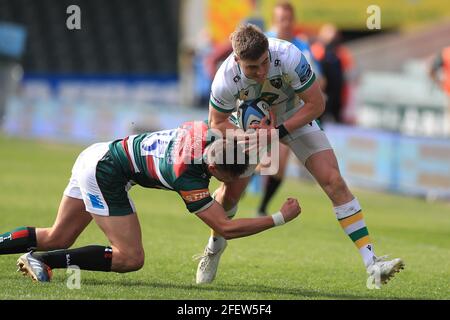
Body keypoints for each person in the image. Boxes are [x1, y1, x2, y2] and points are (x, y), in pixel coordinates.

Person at [195, 23, 404, 288]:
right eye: (251, 68)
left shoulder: (288, 56)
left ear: (268, 51)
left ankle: (372, 263)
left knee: (334, 181)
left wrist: (277, 132)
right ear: (237, 61)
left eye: (263, 63)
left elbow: (317, 104)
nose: (260, 72)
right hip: (248, 128)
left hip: (294, 117)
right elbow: (217, 122)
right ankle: (214, 248)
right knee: (231, 195)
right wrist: (251, 136)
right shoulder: (225, 77)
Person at [0, 120, 301, 282]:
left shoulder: (208, 132)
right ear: (212, 169)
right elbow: (226, 227)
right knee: (131, 258)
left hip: (97, 153)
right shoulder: (188, 178)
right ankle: (43, 261)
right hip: (106, 173)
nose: (233, 183)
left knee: (57, 236)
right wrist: (279, 218)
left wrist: (264, 134)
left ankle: (38, 254)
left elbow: (227, 131)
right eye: (228, 177)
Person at [256, 1, 324, 217]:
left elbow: (320, 79)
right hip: (261, 108)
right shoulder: (262, 41)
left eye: (288, 19)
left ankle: (262, 207)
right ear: (274, 21)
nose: (284, 23)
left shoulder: (302, 47)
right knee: (258, 160)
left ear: (293, 21)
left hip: (290, 111)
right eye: (280, 19)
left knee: (279, 164)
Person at [429, 45, 450, 136]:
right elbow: (432, 70)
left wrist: (438, 83)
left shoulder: (446, 52)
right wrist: (439, 83)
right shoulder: (446, 53)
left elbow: (432, 70)